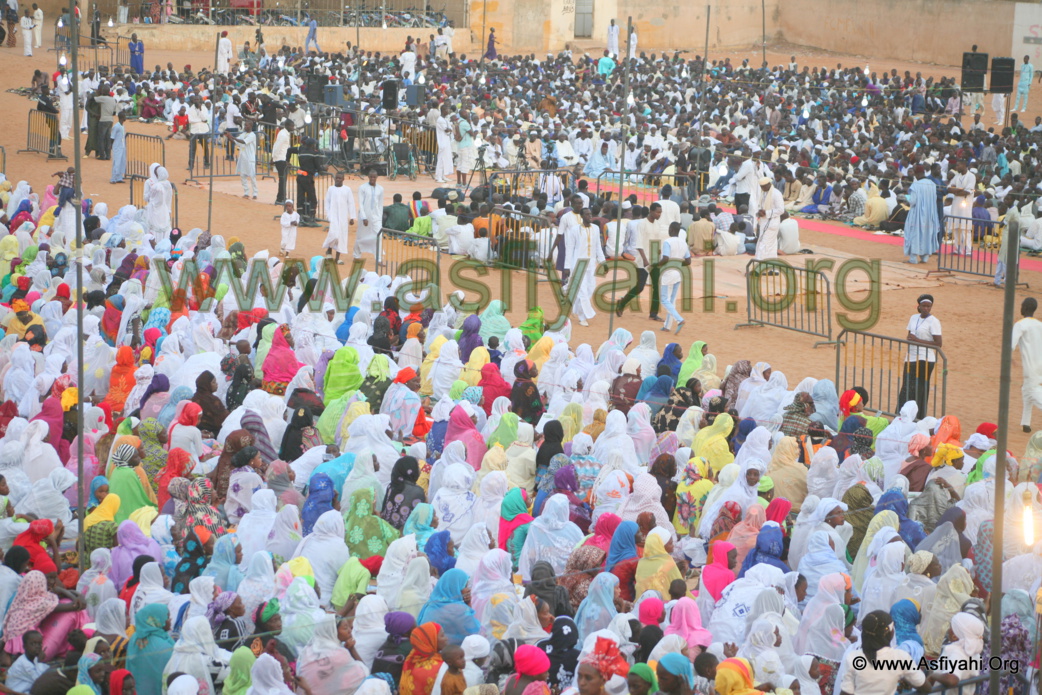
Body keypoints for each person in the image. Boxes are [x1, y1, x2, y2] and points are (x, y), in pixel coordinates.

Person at [900, 294, 942, 418]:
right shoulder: (913, 318)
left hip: (925, 359)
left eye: (929, 306)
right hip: (911, 356)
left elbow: (938, 343)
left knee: (920, 389)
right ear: (919, 306)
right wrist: (911, 339)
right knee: (906, 387)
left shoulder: (934, 321)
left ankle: (918, 417)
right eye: (924, 306)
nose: (926, 309)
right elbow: (909, 334)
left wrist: (917, 340)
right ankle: (902, 415)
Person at [1015, 296, 1042, 433]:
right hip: (1039, 365)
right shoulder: (1039, 325)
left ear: (1024, 308)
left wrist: (1010, 360)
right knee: (1026, 390)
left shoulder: (1020, 324)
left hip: (1030, 367)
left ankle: (1026, 422)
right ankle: (1026, 423)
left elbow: (1010, 344)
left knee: (1033, 392)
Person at [904, 166, 940, 264]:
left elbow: (913, 201)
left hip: (917, 214)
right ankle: (925, 257)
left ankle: (913, 258)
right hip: (929, 214)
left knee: (914, 233)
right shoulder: (932, 184)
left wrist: (905, 197)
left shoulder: (915, 185)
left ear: (917, 174)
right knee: (926, 234)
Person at [323, 172, 357, 265]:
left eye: (339, 178)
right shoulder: (331, 189)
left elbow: (351, 203)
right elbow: (327, 202)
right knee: (333, 234)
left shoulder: (347, 190)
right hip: (333, 216)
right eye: (336, 178)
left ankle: (337, 258)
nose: (338, 179)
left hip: (343, 217)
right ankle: (329, 250)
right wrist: (328, 215)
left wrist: (352, 217)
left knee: (341, 237)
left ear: (343, 179)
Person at [752, 176, 784, 260]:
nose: (762, 188)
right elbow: (761, 207)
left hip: (772, 222)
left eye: (763, 186)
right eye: (761, 186)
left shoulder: (776, 193)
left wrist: (767, 213)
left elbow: (781, 210)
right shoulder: (764, 193)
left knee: (764, 244)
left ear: (769, 184)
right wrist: (759, 212)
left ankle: (758, 266)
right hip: (764, 221)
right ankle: (772, 268)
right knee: (770, 246)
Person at [226, 119, 258, 200]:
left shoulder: (252, 135)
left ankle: (255, 193)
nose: (245, 126)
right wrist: (229, 137)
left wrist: (233, 137)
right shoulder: (243, 134)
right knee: (242, 176)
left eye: (247, 125)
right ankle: (246, 192)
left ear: (251, 126)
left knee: (252, 176)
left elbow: (244, 142)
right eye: (245, 125)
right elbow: (236, 142)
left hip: (250, 158)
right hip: (243, 158)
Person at [357, 169, 384, 258]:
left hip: (376, 217)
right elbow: (360, 203)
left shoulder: (380, 189)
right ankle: (356, 255)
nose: (372, 178)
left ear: (377, 177)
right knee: (361, 236)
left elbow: (380, 204)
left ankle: (379, 258)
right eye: (371, 176)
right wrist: (364, 217)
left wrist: (380, 217)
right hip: (364, 216)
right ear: (368, 177)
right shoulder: (362, 188)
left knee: (379, 236)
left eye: (374, 177)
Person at [110, 112, 127, 184]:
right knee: (116, 162)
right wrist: (110, 146)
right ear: (121, 117)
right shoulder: (116, 126)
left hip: (122, 146)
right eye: (124, 116)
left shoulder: (122, 126)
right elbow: (112, 137)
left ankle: (119, 177)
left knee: (122, 162)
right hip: (117, 146)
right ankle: (113, 178)